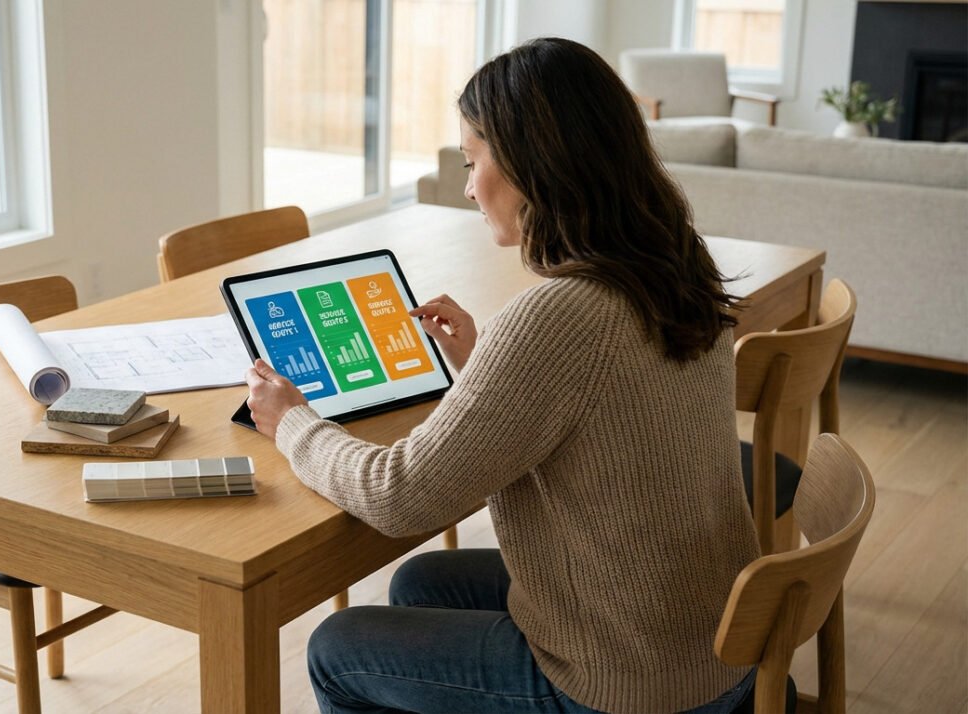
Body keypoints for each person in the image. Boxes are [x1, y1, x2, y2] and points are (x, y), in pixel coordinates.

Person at [244, 37, 760, 714]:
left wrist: (294, 424)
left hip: (628, 681)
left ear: (529, 162)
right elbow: (604, 408)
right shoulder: (676, 266)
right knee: (423, 583)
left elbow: (400, 497)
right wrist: (484, 362)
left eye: (472, 160)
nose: (468, 186)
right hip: (714, 641)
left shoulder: (560, 314)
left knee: (337, 648)